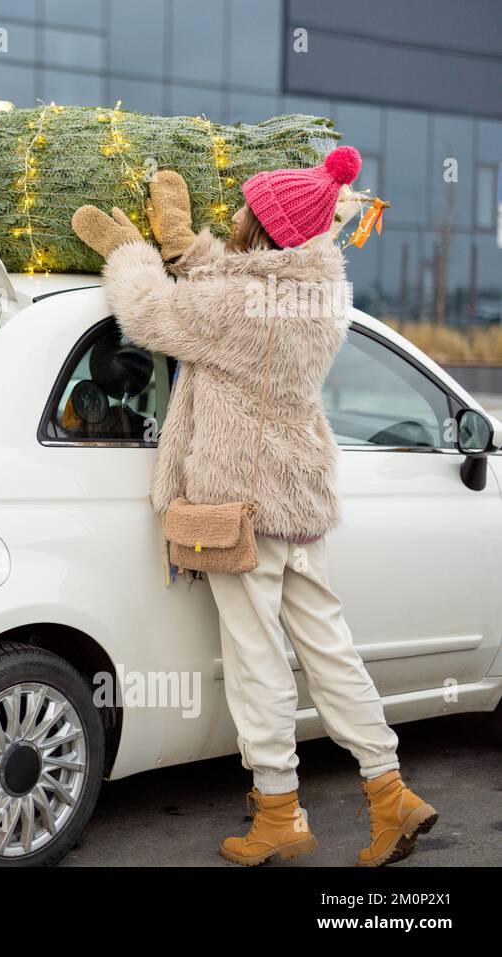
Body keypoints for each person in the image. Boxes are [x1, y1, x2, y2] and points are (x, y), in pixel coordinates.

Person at [70, 146, 438, 867]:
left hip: (238, 499)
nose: (235, 214)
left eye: (247, 209)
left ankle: (278, 812)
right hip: (299, 495)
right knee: (330, 648)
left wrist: (132, 255)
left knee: (255, 658)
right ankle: (390, 791)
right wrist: (188, 250)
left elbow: (153, 314)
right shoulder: (322, 295)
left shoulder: (236, 305)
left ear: (266, 228)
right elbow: (238, 290)